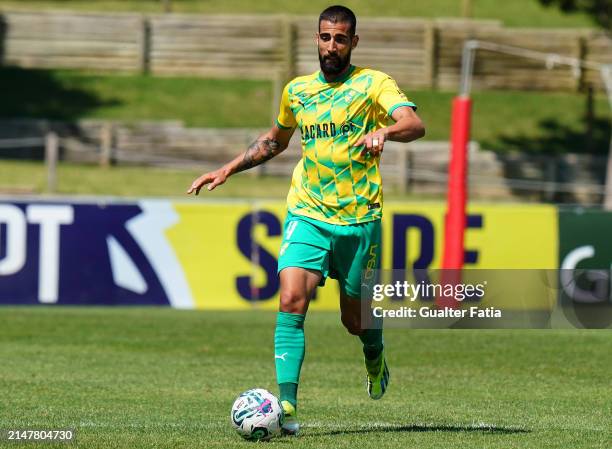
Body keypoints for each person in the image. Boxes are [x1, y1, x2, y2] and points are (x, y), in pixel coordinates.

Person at [188, 5, 425, 436]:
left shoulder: (374, 84)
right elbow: (274, 141)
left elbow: (413, 122)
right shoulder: (297, 91)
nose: (330, 46)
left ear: (353, 42)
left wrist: (386, 132)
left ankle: (375, 354)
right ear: (315, 40)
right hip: (308, 213)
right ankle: (288, 407)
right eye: (324, 37)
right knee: (291, 301)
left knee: (354, 320)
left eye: (339, 39)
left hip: (359, 220)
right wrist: (227, 168)